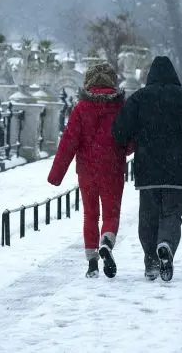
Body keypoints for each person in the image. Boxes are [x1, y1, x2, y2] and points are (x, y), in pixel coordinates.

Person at [112, 56, 182, 282]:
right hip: (177, 169)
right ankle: (166, 244)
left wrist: (136, 138)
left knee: (148, 216)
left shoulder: (139, 98)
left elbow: (119, 131)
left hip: (147, 169)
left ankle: (151, 261)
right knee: (172, 214)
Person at [48, 63, 132, 279]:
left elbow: (68, 143)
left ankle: (92, 263)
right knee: (111, 214)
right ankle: (107, 242)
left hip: (87, 171)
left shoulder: (81, 108)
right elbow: (130, 141)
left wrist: (56, 175)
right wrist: (124, 150)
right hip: (113, 169)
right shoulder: (120, 106)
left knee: (90, 214)